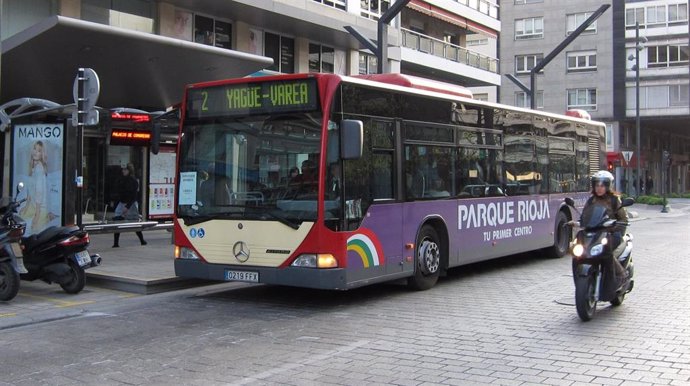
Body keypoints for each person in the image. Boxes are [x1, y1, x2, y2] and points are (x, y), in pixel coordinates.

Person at [579, 170, 628, 285]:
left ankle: (621, 274)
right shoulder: (591, 201)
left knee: (607, 252)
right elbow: (585, 216)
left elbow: (623, 219)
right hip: (595, 234)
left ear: (608, 186)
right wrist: (577, 222)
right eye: (597, 185)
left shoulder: (614, 200)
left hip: (611, 233)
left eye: (602, 185)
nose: (599, 188)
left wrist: (616, 227)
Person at [20, 140, 57, 232]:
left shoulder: (39, 170)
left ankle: (48, 216)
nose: (36, 152)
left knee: (33, 230)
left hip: (40, 208)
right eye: (35, 149)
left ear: (42, 154)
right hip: (33, 206)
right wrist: (26, 206)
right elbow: (30, 190)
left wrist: (36, 217)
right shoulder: (33, 167)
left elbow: (39, 193)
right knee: (20, 215)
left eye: (39, 150)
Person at [112, 164, 146, 247]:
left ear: (129, 171)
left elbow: (134, 195)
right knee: (117, 221)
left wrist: (128, 206)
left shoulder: (133, 181)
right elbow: (118, 192)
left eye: (125, 170)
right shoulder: (120, 179)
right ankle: (116, 243)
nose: (123, 171)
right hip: (122, 202)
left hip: (131, 203)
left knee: (134, 222)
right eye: (123, 170)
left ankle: (142, 240)